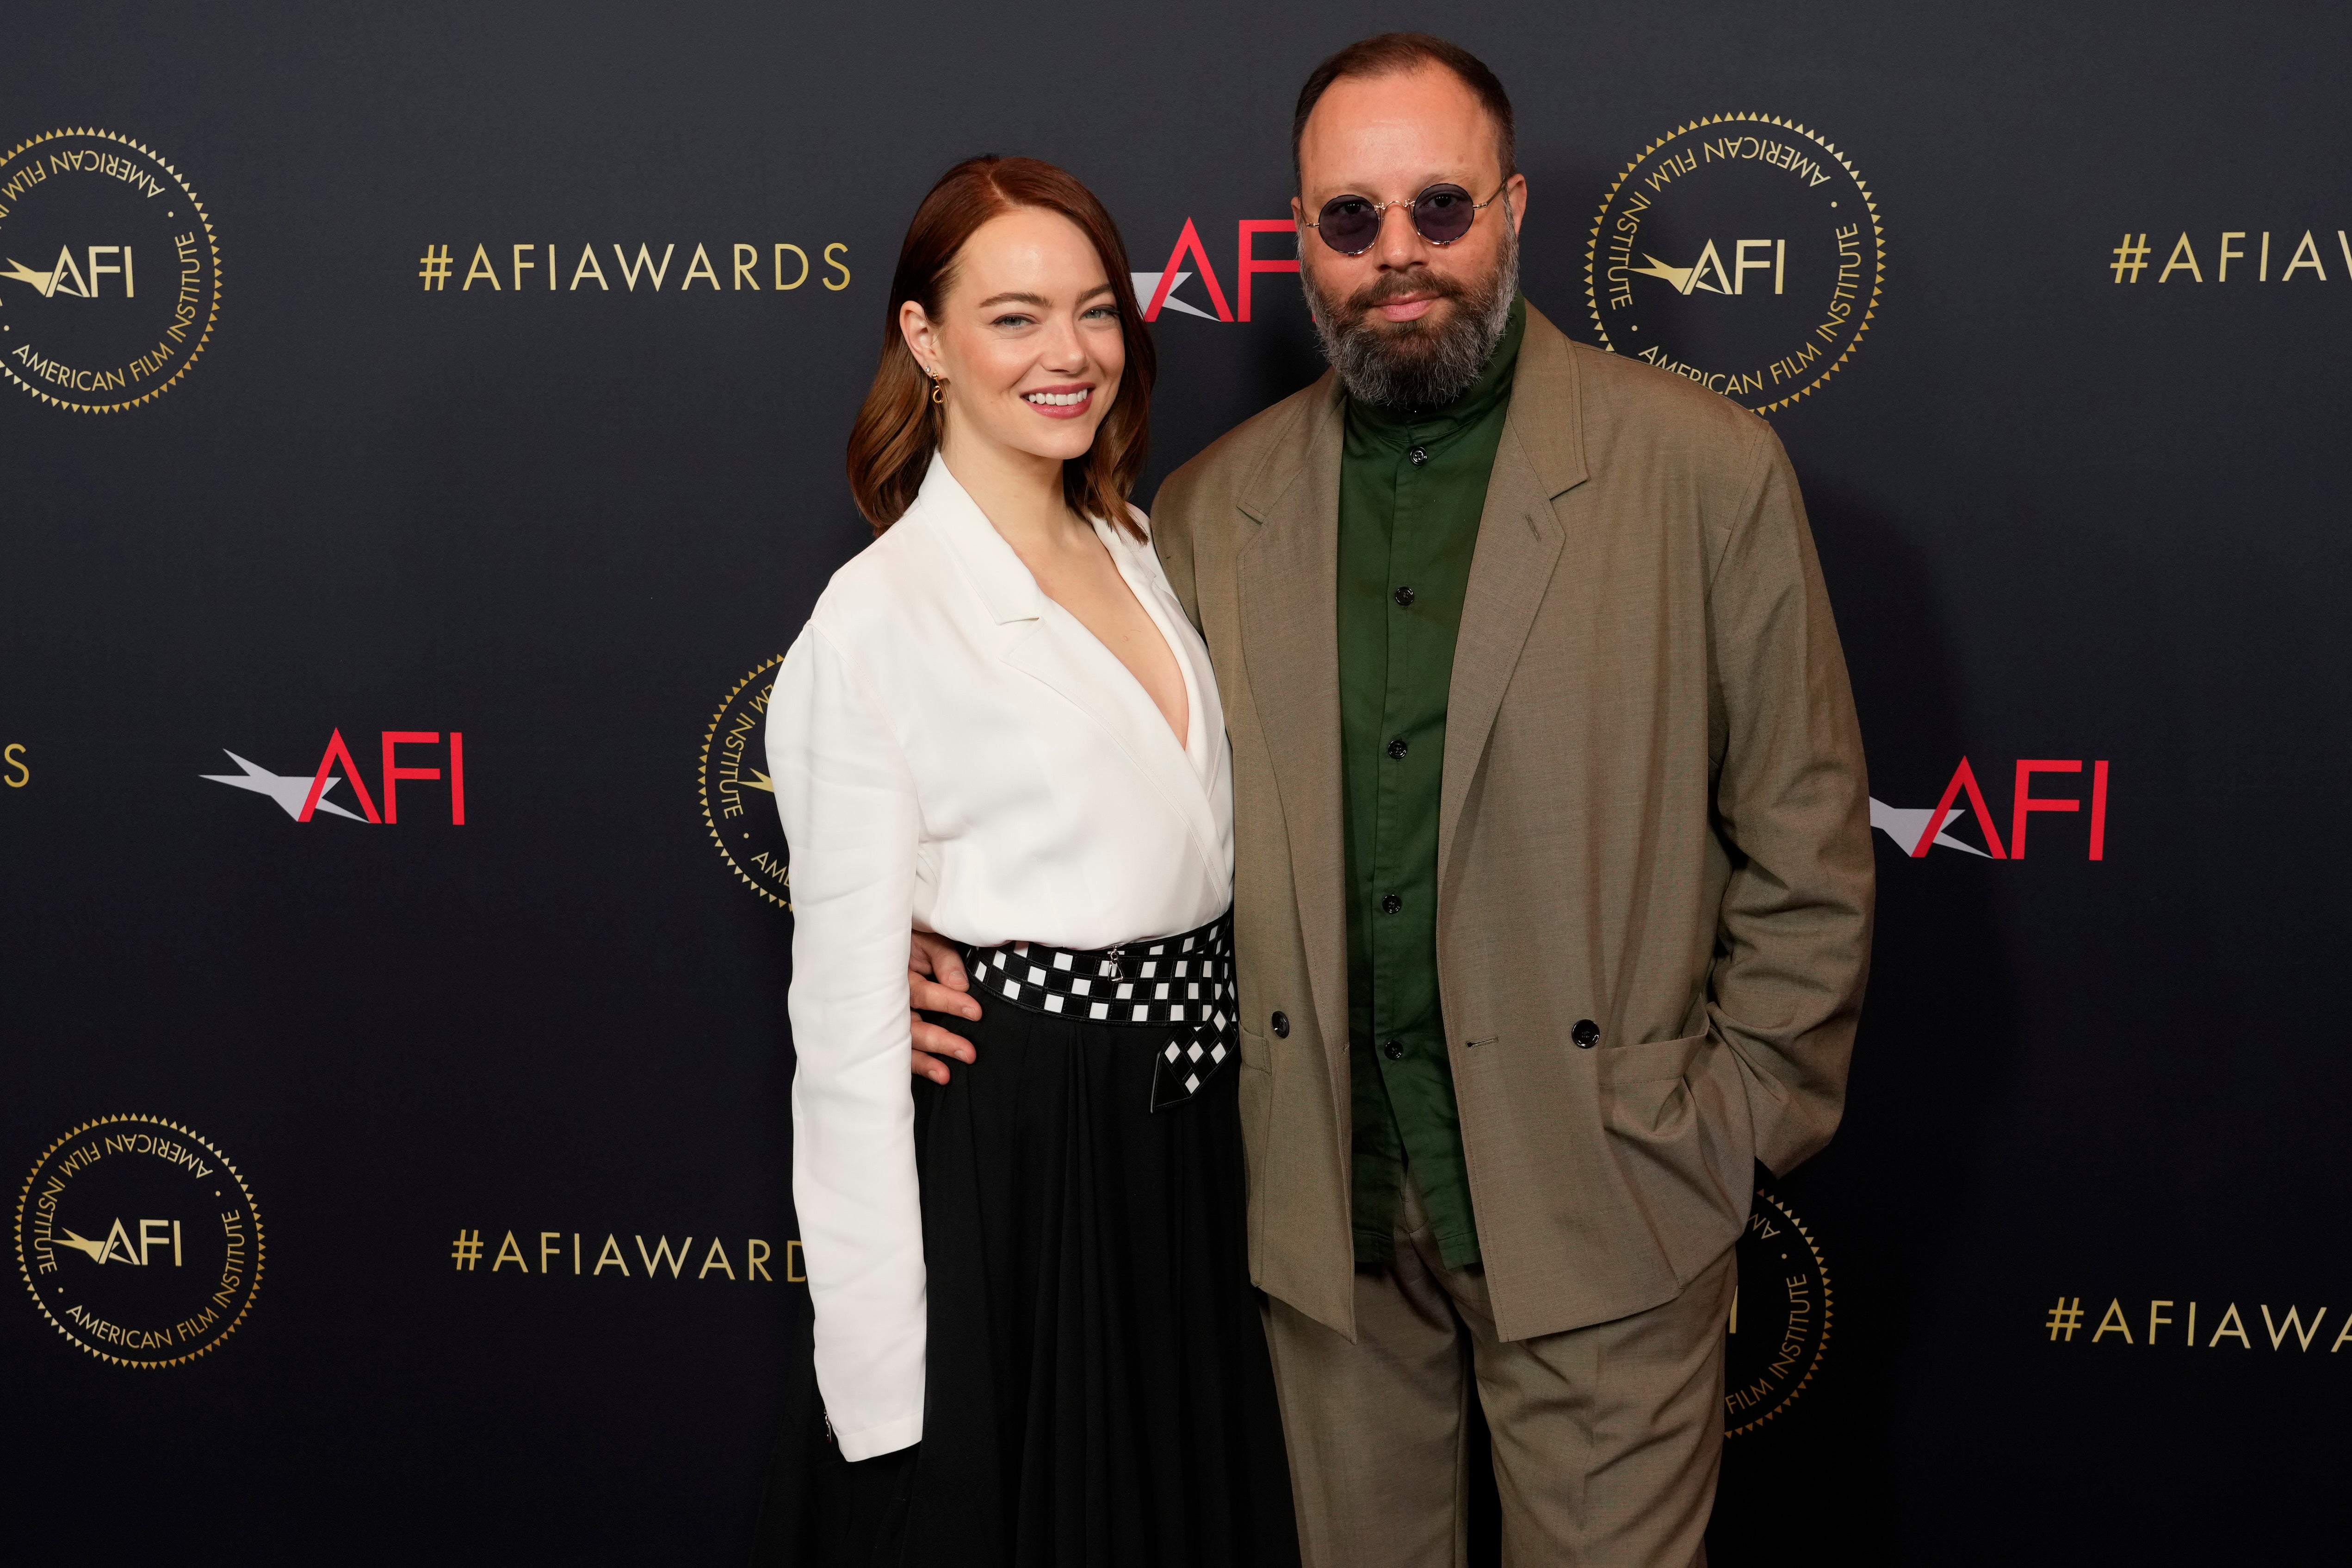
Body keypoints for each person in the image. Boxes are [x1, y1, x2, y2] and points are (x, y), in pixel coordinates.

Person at [909, 34, 1874, 1568]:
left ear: (1508, 209)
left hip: (1608, 1201)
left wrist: (1729, 1125)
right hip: (1317, 1225)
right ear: (1300, 240)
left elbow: (1807, 837)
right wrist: (901, 929)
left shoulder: (1699, 470)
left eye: (1438, 208)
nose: (1397, 256)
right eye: (1349, 221)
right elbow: (1095, 788)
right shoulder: (1221, 504)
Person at [766, 155, 1297, 1567]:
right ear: (925, 341)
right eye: (1012, 317)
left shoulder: (1138, 544)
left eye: (1094, 310)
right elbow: (844, 1046)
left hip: (1186, 1143)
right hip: (1021, 1154)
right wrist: (881, 1382)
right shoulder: (875, 621)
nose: (1069, 355)